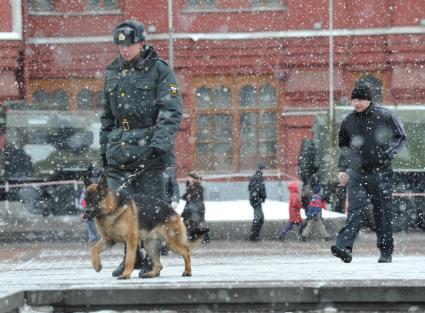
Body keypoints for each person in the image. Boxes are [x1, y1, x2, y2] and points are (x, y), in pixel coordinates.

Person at [99, 19, 183, 277]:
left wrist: (159, 144)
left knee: (149, 210)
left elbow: (171, 111)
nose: (124, 50)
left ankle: (150, 259)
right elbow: (107, 116)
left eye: (130, 45)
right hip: (119, 151)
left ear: (141, 43)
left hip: (148, 152)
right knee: (120, 210)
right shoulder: (112, 71)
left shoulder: (160, 71)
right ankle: (130, 258)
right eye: (120, 46)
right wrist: (104, 148)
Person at [331, 84, 407, 263]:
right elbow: (344, 147)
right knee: (354, 211)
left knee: (382, 214)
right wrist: (342, 169)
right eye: (353, 100)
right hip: (357, 174)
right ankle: (345, 248)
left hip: (380, 174)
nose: (356, 103)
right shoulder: (348, 121)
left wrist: (386, 154)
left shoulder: (385, 116)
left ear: (368, 100)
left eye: (359, 100)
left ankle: (386, 251)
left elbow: (401, 137)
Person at [181, 171, 209, 242]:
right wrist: (186, 196)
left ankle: (204, 238)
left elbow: (195, 196)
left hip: (197, 207)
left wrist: (188, 196)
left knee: (199, 222)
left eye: (189, 177)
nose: (187, 179)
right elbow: (188, 195)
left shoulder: (198, 186)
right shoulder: (190, 185)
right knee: (189, 221)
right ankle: (191, 236)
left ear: (193, 178)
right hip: (191, 207)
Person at [160, 163, 180, 255]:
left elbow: (175, 187)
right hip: (153, 203)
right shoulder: (151, 168)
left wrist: (175, 200)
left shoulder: (169, 171)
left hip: (166, 203)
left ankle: (165, 247)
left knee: (166, 226)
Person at [248, 163, 267, 241]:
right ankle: (253, 236)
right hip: (256, 201)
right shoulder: (257, 177)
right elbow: (256, 188)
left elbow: (253, 188)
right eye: (264, 169)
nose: (265, 170)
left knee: (259, 218)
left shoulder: (258, 176)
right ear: (260, 169)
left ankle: (255, 235)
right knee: (259, 218)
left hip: (256, 200)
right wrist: (260, 197)